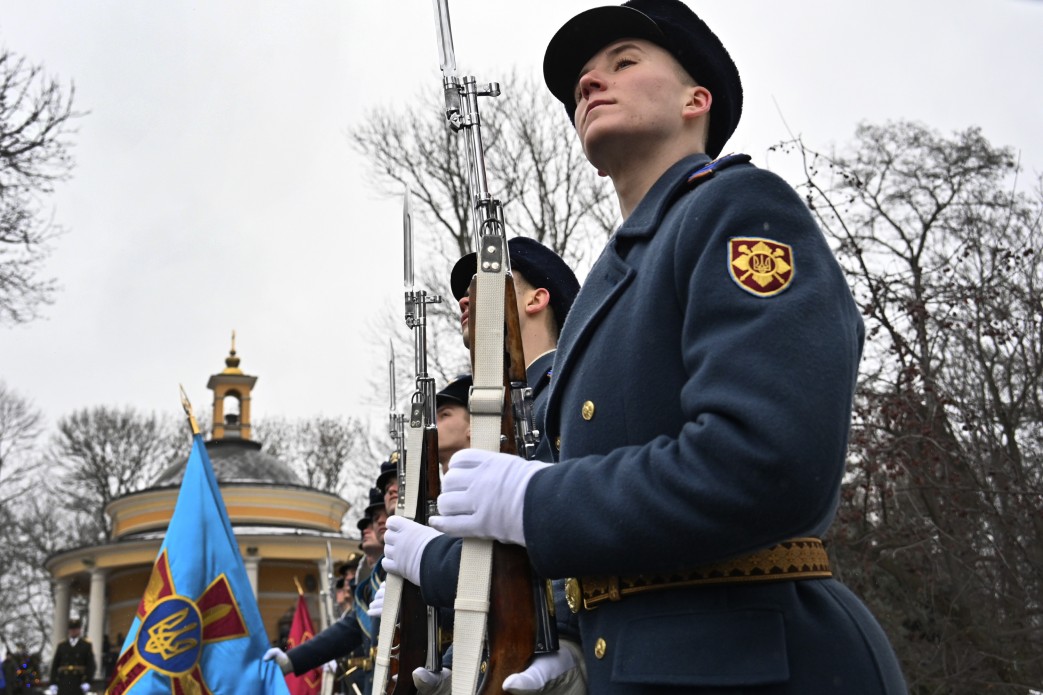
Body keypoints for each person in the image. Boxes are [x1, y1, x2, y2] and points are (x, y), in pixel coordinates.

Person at [426, 1, 910, 693]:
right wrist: (568, 634)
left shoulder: (737, 208)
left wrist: (538, 502)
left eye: (623, 62)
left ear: (696, 99)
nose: (590, 83)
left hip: (759, 665)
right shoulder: (611, 281)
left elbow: (766, 462)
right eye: (581, 81)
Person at [265, 485, 387, 694]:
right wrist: (290, 660)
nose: (376, 523)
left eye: (379, 515)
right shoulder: (371, 585)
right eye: (375, 517)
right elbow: (349, 630)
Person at [48, 619, 95, 695]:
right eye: (71, 629)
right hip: (63, 682)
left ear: (79, 630)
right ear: (69, 630)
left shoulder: (86, 645)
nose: (73, 631)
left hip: (79, 682)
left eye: (75, 629)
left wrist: (87, 681)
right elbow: (55, 665)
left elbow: (91, 665)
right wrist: (53, 682)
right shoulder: (62, 645)